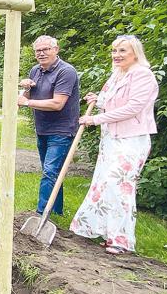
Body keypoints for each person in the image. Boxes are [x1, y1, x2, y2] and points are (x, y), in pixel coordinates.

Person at [71, 35, 158, 254]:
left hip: (131, 139)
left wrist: (95, 119)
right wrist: (97, 99)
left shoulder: (143, 75)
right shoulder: (117, 75)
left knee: (119, 186)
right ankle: (107, 233)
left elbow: (133, 107)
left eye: (122, 51)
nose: (116, 55)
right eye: (114, 51)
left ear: (135, 53)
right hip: (110, 139)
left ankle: (121, 240)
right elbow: (110, 101)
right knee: (104, 184)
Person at [18, 35, 81, 216]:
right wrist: (27, 89)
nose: (41, 53)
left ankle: (40, 215)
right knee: (53, 174)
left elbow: (57, 104)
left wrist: (26, 103)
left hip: (62, 130)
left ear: (56, 49)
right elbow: (27, 98)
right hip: (43, 129)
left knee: (49, 172)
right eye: (38, 50)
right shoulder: (35, 71)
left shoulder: (66, 71)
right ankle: (55, 212)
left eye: (46, 49)